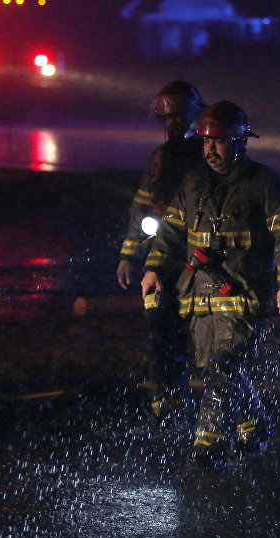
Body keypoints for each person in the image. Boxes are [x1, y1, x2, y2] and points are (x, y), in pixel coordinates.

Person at [140, 101, 280, 458]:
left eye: (220, 142)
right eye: (206, 142)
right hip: (199, 297)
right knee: (219, 369)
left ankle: (208, 442)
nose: (211, 149)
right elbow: (170, 232)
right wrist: (153, 268)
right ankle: (253, 425)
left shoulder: (264, 183)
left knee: (224, 368)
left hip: (245, 294)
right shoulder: (193, 183)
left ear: (240, 143)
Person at [116, 81, 206, 418]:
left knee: (207, 327)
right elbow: (141, 207)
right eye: (167, 121)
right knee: (160, 324)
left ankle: (216, 393)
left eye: (179, 118)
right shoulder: (160, 159)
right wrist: (128, 255)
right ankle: (167, 394)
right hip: (162, 255)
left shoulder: (210, 153)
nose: (173, 126)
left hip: (202, 255)